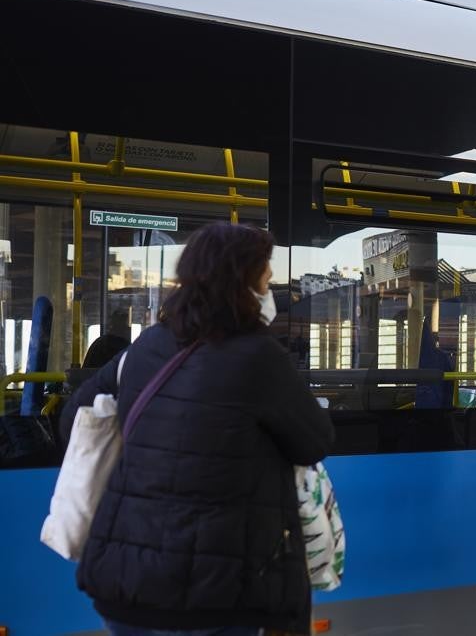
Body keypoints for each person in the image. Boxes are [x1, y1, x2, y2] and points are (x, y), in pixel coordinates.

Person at [60, 223, 335, 636]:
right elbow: (314, 441)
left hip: (127, 583)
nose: (271, 281)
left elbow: (75, 419)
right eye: (265, 271)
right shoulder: (259, 355)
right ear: (242, 278)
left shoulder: (147, 346)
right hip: (217, 592)